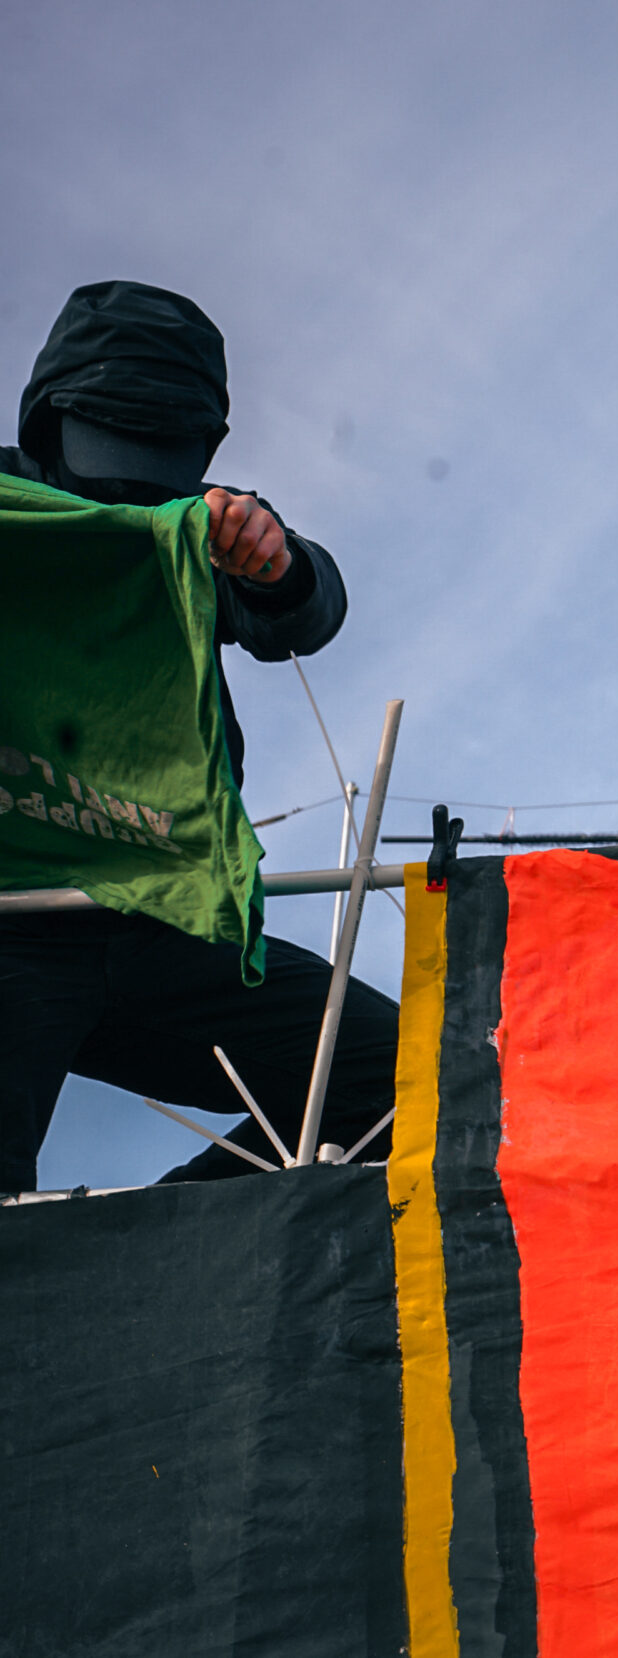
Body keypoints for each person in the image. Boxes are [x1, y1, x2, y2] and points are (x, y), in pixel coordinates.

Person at [0, 280, 397, 1191]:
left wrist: (276, 563)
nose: (131, 481)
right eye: (111, 443)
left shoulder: (191, 527)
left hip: (162, 922)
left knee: (415, 1075)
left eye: (159, 458)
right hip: (10, 920)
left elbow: (306, 612)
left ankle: (164, 1245)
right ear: (49, 420)